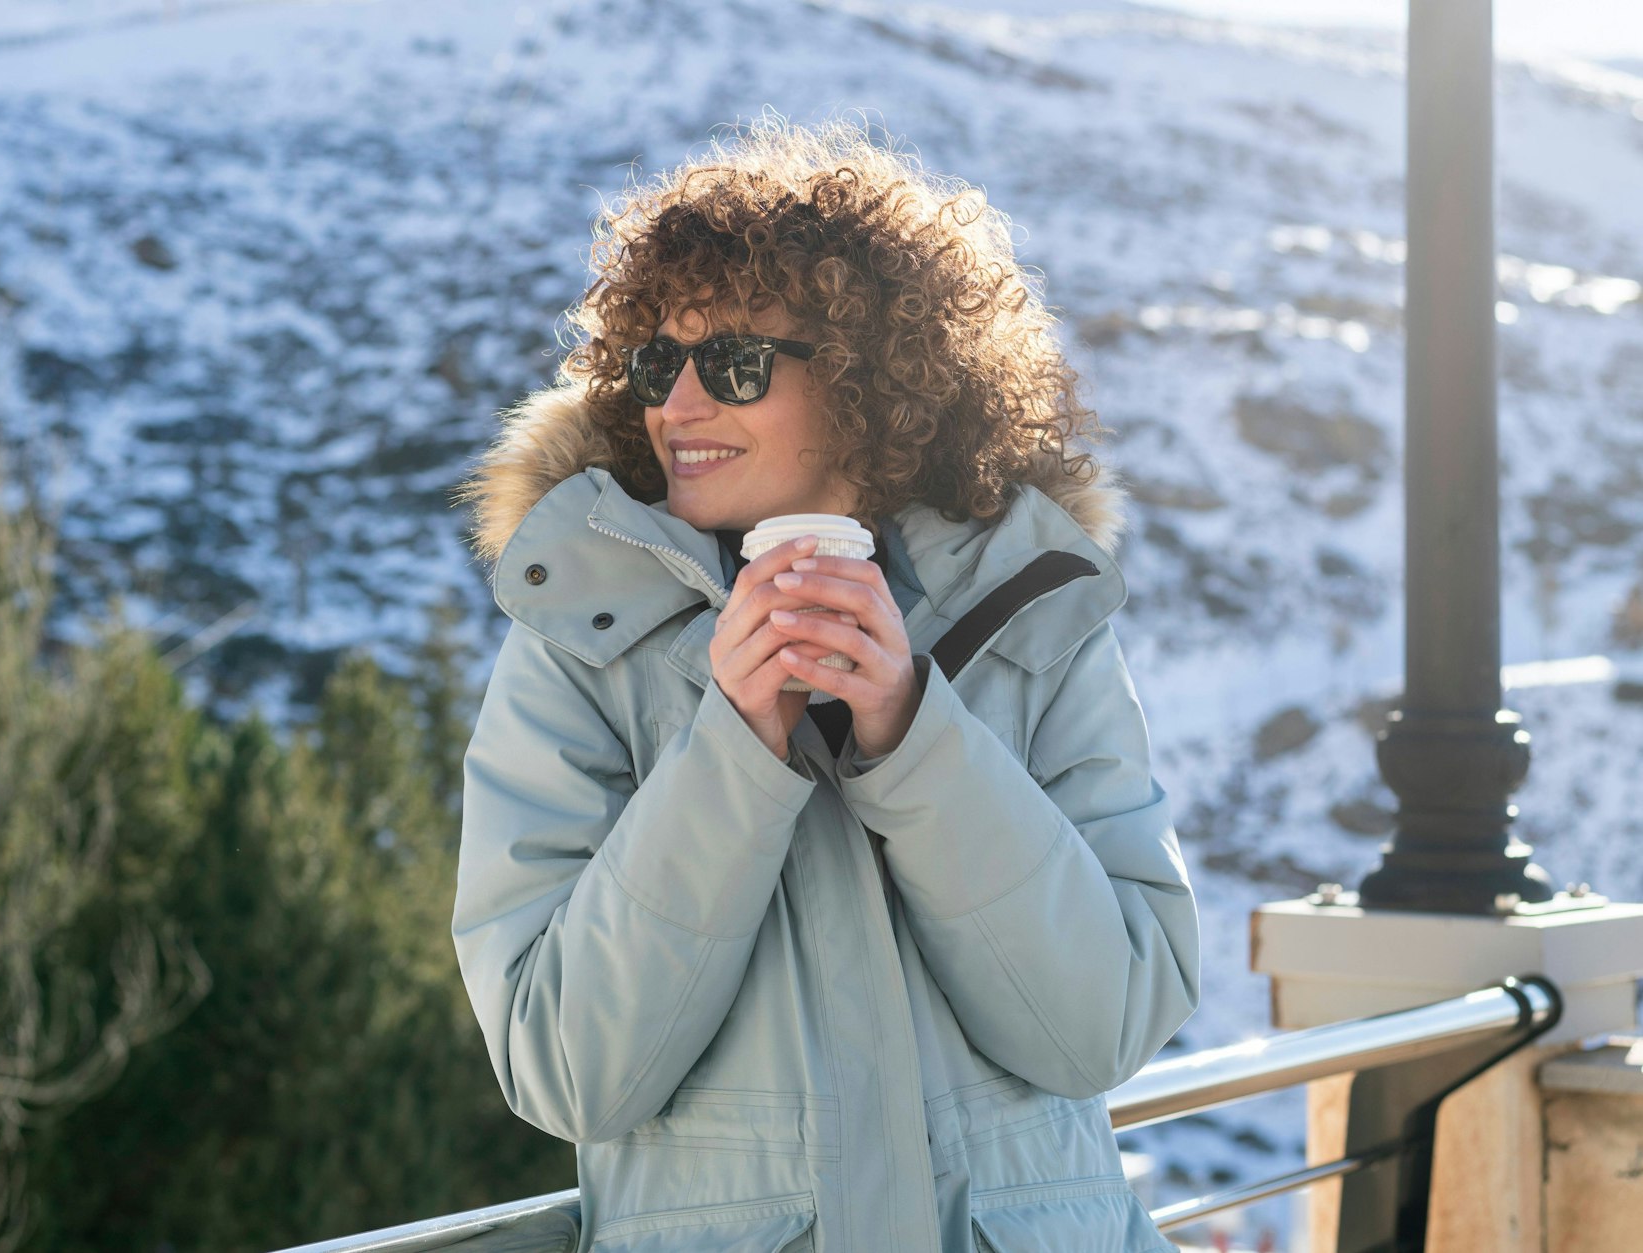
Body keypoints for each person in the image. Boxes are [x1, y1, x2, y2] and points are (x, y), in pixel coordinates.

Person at [451, 118, 1199, 1253]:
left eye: (735, 364)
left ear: (868, 385)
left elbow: (1102, 1027)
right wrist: (735, 750)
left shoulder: (1031, 605)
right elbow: (566, 1066)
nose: (678, 406)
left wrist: (912, 736)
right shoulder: (575, 631)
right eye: (658, 362)